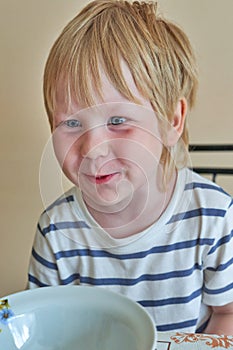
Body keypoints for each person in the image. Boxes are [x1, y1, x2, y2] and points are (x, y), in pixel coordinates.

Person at [28, 0, 233, 334]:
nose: (93, 149)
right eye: (71, 124)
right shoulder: (56, 232)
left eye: (118, 120)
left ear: (172, 121)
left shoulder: (214, 216)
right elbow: (46, 328)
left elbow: (227, 313)